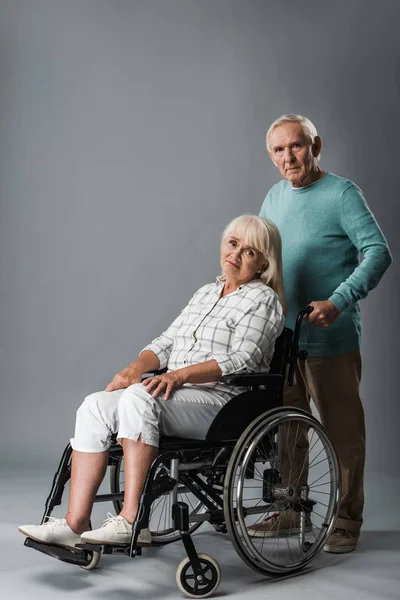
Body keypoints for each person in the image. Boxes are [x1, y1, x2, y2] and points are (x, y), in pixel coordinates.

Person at [19, 215, 285, 549]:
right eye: (233, 244)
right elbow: (167, 342)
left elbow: (242, 359)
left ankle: (132, 522)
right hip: (180, 394)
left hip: (224, 403)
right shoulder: (206, 293)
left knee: (138, 398)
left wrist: (180, 374)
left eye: (249, 251)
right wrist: (134, 368)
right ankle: (75, 523)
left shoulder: (263, 300)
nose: (236, 253)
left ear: (264, 262)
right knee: (95, 406)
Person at [248, 114, 392, 553]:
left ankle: (347, 520)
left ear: (315, 145)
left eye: (296, 146)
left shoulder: (342, 193)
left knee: (343, 434)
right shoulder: (274, 197)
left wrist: (339, 300)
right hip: (284, 340)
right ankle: (291, 509)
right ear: (270, 156)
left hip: (331, 340)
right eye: (278, 150)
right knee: (288, 432)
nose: (288, 157)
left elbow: (378, 252)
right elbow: (260, 258)